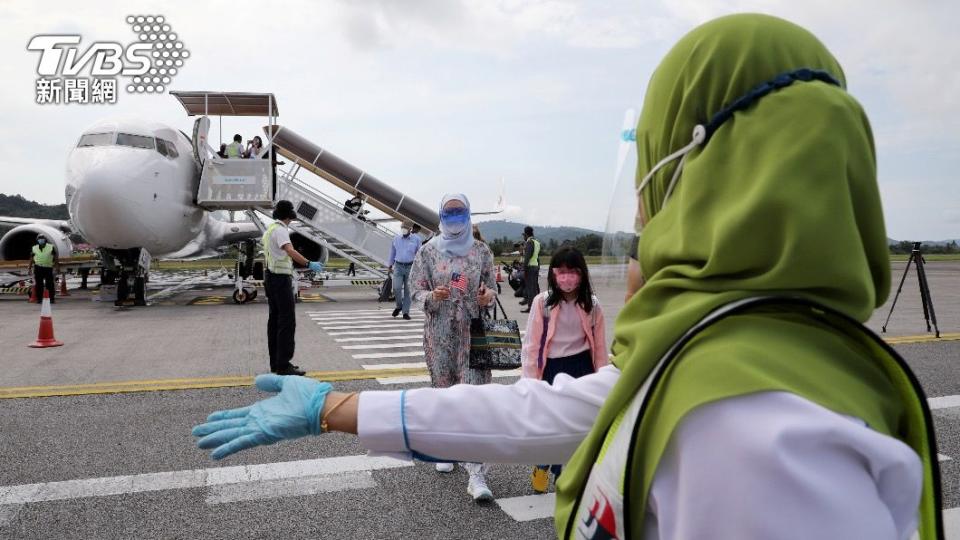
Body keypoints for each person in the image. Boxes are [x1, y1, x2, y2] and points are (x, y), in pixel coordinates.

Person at [194, 15, 941, 539]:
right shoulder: (730, 367)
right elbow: (537, 414)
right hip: (438, 338)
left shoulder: (749, 437)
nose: (645, 219)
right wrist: (337, 407)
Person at [405, 193, 497, 501]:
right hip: (440, 330)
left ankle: (477, 474)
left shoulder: (482, 250)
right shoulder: (428, 251)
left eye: (460, 211)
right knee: (443, 391)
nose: (455, 216)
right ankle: (446, 447)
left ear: (468, 213)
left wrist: (487, 295)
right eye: (449, 211)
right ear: (441, 215)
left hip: (473, 330)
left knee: (474, 396)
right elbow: (415, 290)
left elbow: (491, 286)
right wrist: (433, 297)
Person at [521, 246, 608, 493]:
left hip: (581, 366)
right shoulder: (542, 303)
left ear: (582, 274)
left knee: (575, 425)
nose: (567, 277)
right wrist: (529, 380)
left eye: (573, 271)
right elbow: (532, 344)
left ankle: (563, 472)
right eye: (562, 271)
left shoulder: (592, 305)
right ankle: (542, 464)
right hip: (551, 367)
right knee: (550, 423)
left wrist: (603, 378)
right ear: (553, 274)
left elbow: (600, 346)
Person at [262, 200, 325, 376]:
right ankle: (284, 364)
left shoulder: (270, 230)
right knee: (287, 321)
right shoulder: (281, 230)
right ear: (289, 215)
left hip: (270, 278)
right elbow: (289, 250)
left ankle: (275, 363)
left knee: (274, 320)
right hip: (280, 280)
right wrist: (308, 263)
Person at [387, 221, 422, 319]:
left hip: (410, 267)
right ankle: (399, 306)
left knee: (408, 291)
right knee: (396, 288)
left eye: (405, 228)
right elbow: (392, 252)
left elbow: (419, 254)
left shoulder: (416, 239)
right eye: (402, 227)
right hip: (398, 266)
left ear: (410, 229)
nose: (403, 229)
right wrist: (390, 265)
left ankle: (405, 312)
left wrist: (419, 268)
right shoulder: (396, 239)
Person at [28, 234, 58, 303]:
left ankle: (51, 299)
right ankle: (39, 299)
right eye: (39, 239)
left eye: (42, 238)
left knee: (50, 284)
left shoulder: (51, 247)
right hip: (38, 267)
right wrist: (29, 268)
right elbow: (31, 258)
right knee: (39, 284)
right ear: (37, 240)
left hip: (48, 267)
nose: (41, 240)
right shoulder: (34, 248)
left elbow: (55, 257)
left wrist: (57, 267)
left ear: (45, 240)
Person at [520, 225, 541, 312]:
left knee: (530, 288)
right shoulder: (537, 242)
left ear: (526, 234)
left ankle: (531, 308)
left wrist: (524, 269)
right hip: (535, 266)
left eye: (523, 235)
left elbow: (527, 257)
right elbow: (537, 257)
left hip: (530, 267)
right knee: (535, 288)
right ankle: (537, 306)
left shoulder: (529, 242)